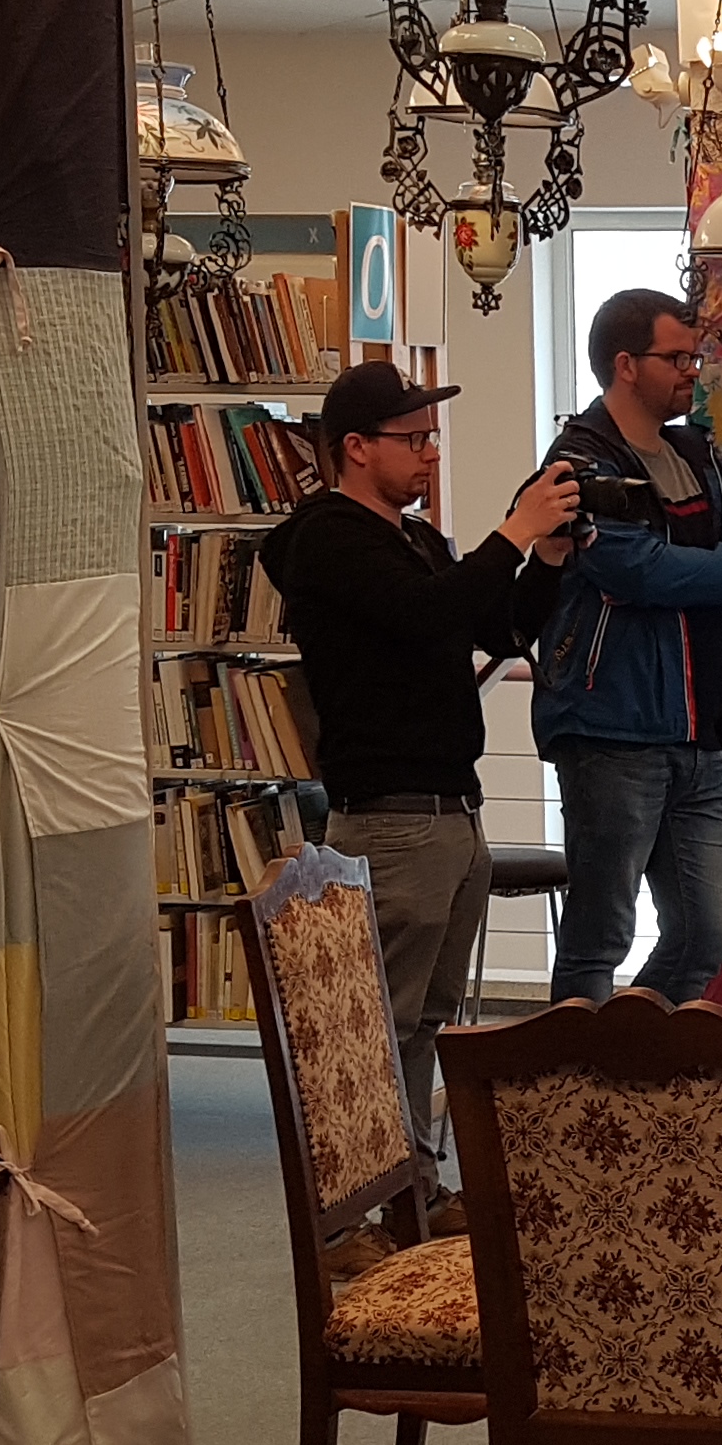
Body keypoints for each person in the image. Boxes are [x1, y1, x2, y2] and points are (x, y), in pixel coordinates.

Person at [261, 363, 580, 1136]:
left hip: (453, 813)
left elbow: (497, 627)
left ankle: (414, 1179)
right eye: (413, 440)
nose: (430, 454)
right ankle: (376, 1188)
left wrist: (547, 557)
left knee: (430, 1015)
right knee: (386, 1023)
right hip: (392, 819)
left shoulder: (417, 540)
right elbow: (425, 614)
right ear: (356, 447)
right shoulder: (327, 539)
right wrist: (514, 532)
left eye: (430, 437)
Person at [530, 288, 722, 1006]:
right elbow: (637, 568)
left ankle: (627, 1056)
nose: (692, 371)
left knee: (706, 933)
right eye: (677, 359)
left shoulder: (692, 450)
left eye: (694, 357)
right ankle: (576, 1071)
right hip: (612, 727)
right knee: (600, 935)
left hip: (701, 734)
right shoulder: (578, 462)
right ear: (626, 365)